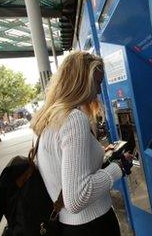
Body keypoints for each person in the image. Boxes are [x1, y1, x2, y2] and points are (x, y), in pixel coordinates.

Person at [31, 51, 133, 236]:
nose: (99, 91)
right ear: (81, 82)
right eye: (97, 83)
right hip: (93, 226)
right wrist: (118, 167)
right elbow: (77, 198)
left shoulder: (46, 119)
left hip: (69, 226)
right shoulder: (73, 119)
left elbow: (62, 168)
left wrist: (101, 156)